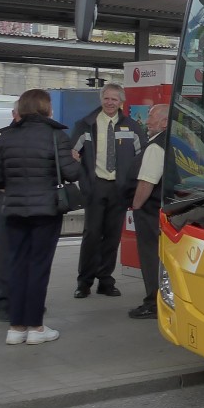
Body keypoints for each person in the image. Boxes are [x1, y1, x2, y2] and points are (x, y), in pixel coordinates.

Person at [0, 89, 79, 345]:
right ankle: (36, 328)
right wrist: (75, 160)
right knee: (38, 267)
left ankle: (15, 328)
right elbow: (72, 174)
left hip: (14, 210)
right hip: (46, 211)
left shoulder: (6, 137)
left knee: (16, 266)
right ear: (45, 108)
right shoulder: (55, 136)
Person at [70, 84, 145, 298]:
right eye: (106, 98)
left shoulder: (132, 126)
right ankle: (84, 282)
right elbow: (70, 153)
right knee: (92, 235)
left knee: (112, 237)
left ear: (121, 101)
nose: (110, 102)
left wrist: (132, 183)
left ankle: (105, 281)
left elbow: (142, 157)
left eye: (114, 99)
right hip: (95, 187)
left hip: (119, 189)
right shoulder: (86, 125)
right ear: (101, 99)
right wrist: (82, 179)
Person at [128, 104, 167, 318]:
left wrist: (136, 205)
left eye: (151, 117)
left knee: (150, 256)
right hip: (165, 210)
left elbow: (146, 183)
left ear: (163, 122)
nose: (147, 120)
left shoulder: (155, 146)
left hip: (150, 211)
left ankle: (153, 302)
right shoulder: (175, 142)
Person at [0, 103, 20, 321]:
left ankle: (23, 301)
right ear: (14, 114)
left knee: (27, 256)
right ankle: (1, 303)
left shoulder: (41, 136)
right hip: (8, 202)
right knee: (5, 254)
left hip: (32, 203)